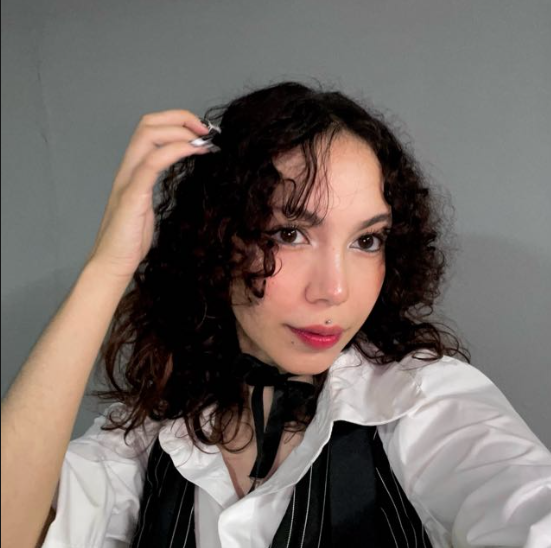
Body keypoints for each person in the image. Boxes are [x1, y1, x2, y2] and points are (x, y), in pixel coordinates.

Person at [2, 81, 550, 548]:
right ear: (217, 238)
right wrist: (108, 266)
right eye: (290, 234)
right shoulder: (147, 439)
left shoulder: (422, 403)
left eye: (367, 241)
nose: (334, 290)